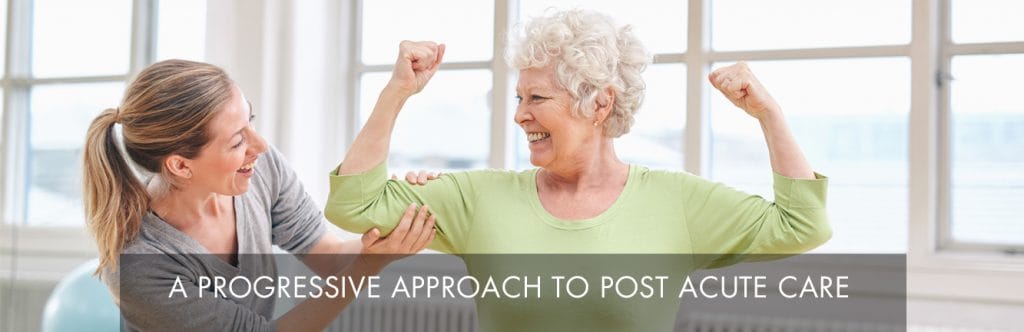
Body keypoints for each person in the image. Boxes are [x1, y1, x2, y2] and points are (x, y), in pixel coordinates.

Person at [325, 9, 831, 331]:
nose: (520, 113)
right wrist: (397, 93)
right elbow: (355, 205)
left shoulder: (676, 203)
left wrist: (769, 115)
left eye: (537, 97)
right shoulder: (477, 199)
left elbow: (801, 225)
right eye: (519, 96)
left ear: (599, 103)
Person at [82, 59, 437, 331]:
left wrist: (407, 217)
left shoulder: (258, 170)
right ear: (180, 166)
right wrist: (366, 268)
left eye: (250, 121)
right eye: (237, 141)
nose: (260, 145)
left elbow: (329, 258)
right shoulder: (141, 264)